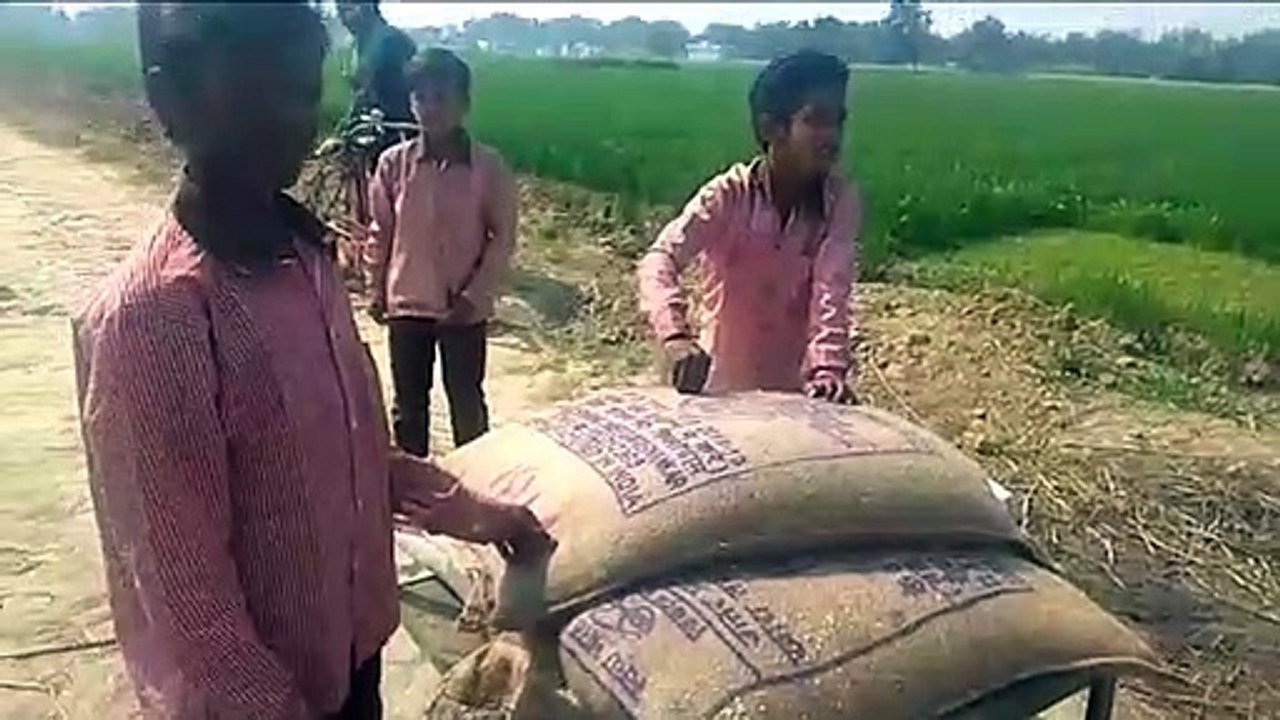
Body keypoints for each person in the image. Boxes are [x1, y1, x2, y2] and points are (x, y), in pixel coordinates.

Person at [73, 5, 545, 718]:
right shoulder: (155, 320)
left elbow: (355, 460)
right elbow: (190, 607)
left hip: (353, 665)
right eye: (257, 93)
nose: (293, 120)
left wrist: (487, 517)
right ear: (170, 97)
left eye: (301, 90)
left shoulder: (309, 263)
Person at [636, 51, 861, 404]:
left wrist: (828, 369)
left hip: (794, 394)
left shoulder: (837, 202)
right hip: (717, 387)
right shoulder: (728, 196)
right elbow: (660, 258)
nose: (831, 136)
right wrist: (675, 336)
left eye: (838, 121)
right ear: (772, 129)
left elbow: (832, 289)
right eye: (816, 120)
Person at [365, 49, 518, 457]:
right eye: (421, 98)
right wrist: (376, 289)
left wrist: (475, 297)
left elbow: (501, 238)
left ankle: (481, 491)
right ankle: (417, 501)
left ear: (464, 104)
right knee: (409, 408)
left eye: (441, 97)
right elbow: (381, 233)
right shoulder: (392, 165)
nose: (430, 108)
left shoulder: (488, 168)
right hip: (407, 306)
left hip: (462, 310)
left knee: (467, 404)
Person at [337, 0, 416, 156]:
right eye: (340, 9)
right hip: (371, 133)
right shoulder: (357, 44)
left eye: (349, 7)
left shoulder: (391, 41)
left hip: (396, 136)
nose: (344, 18)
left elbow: (397, 100)